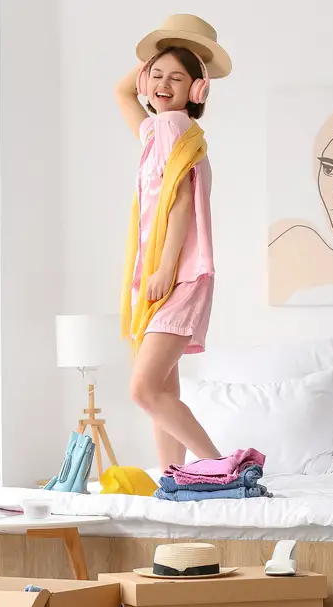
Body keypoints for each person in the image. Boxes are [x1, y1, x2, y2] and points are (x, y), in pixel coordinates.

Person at [115, 15, 231, 473]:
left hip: (175, 275)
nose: (163, 84)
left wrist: (163, 268)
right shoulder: (161, 130)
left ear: (196, 90)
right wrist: (156, 54)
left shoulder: (171, 130)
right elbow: (123, 93)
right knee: (163, 390)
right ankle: (174, 479)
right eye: (156, 75)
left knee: (143, 390)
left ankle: (222, 469)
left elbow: (179, 203)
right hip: (175, 275)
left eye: (176, 78)